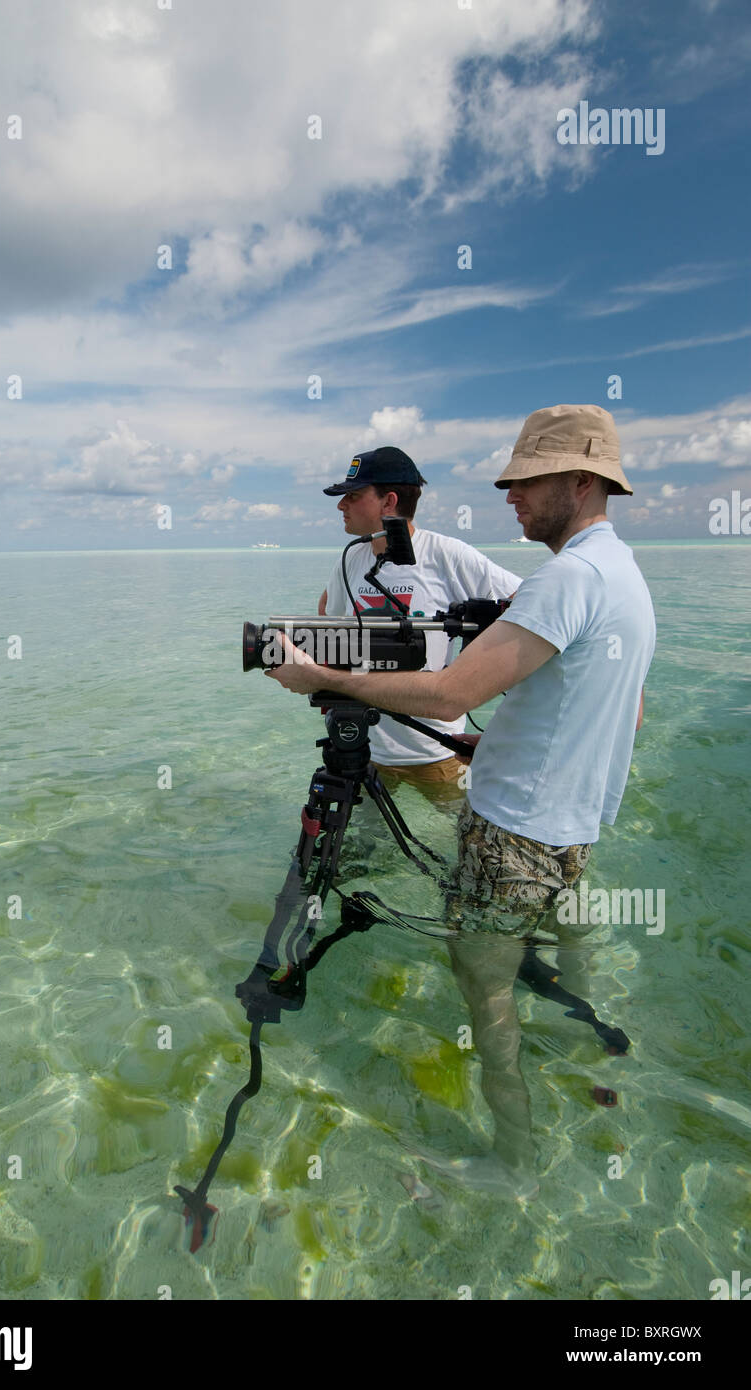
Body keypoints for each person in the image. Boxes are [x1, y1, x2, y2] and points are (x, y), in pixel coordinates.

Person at [267, 405, 656, 1200]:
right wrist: (499, 741)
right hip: (565, 827)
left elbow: (451, 690)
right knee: (561, 938)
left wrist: (322, 677)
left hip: (512, 830)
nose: (509, 496)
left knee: (487, 991)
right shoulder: (623, 576)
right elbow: (625, 707)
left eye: (526, 481)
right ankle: (593, 1055)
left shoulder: (566, 576)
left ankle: (512, 1164)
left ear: (581, 483)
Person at [316, 445, 520, 803]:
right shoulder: (350, 559)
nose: (340, 505)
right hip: (365, 749)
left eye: (353, 495)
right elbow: (329, 615)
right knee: (362, 849)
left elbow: (525, 603)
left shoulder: (446, 554)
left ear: (388, 501)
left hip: (438, 751)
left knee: (455, 848)